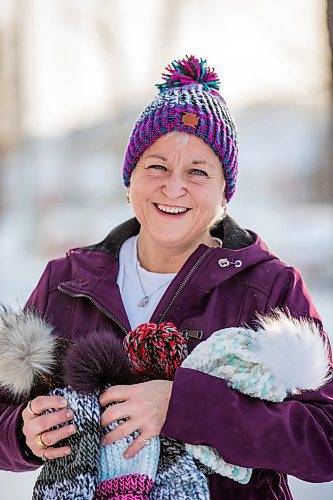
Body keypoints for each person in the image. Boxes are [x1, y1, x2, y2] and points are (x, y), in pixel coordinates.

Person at [0, 55, 333, 499]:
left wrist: (185, 407)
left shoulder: (269, 289)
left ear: (223, 193)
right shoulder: (67, 282)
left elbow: (324, 442)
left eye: (198, 172)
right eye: (156, 166)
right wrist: (23, 435)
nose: (173, 188)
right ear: (130, 179)